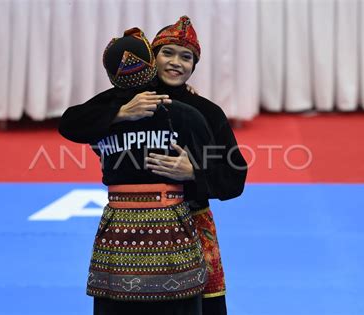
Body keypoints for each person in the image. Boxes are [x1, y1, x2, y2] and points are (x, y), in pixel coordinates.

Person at [59, 16, 247, 315]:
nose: (176, 63)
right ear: (151, 58)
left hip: (191, 227)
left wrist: (193, 174)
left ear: (194, 66)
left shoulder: (205, 112)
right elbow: (70, 123)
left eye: (186, 57)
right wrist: (119, 113)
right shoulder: (124, 101)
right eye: (167, 53)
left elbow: (234, 176)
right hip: (126, 228)